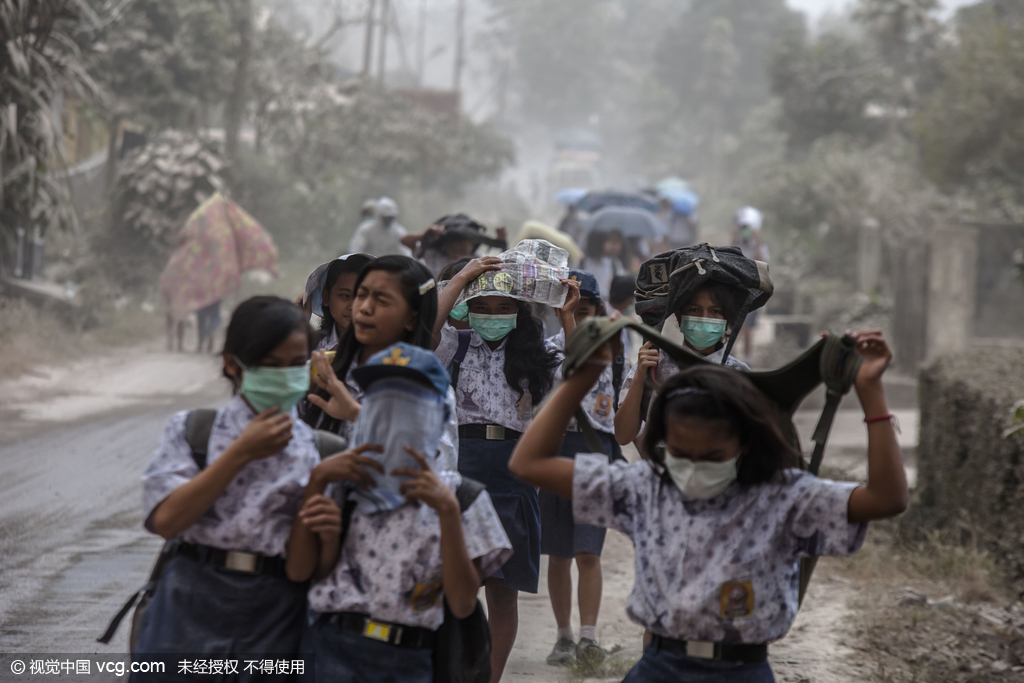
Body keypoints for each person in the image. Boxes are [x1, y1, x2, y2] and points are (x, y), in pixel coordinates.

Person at [508, 330, 908, 683]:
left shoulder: (783, 497)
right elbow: (529, 463)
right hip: (658, 666)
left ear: (746, 443)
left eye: (713, 455)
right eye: (681, 453)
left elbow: (886, 498)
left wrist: (871, 392)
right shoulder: (646, 488)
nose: (695, 467)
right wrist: (582, 378)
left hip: (744, 671)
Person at [288, 342, 512, 683]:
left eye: (410, 403)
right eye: (380, 400)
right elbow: (305, 572)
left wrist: (449, 515)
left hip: (409, 658)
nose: (393, 414)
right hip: (331, 649)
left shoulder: (460, 497)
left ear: (438, 414)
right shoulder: (343, 481)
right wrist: (319, 487)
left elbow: (463, 603)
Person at [133, 296, 321, 675]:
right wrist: (239, 454)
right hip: (190, 600)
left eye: (296, 364)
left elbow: (309, 562)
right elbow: (167, 520)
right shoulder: (194, 431)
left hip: (277, 611)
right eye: (270, 366)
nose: (286, 376)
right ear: (232, 364)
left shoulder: (319, 450)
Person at [433, 246, 581, 683]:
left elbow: (579, 373)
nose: (493, 315)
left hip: (514, 474)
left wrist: (569, 317)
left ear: (519, 311)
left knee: (503, 591)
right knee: (450, 587)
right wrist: (462, 279)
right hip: (461, 470)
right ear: (468, 309)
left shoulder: (538, 355)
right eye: (483, 307)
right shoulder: (453, 346)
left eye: (503, 307)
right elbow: (427, 329)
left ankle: (490, 678)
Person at [298, 256, 462, 476]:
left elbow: (438, 473)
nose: (364, 308)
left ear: (412, 318)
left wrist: (358, 414)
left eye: (382, 300)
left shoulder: (428, 387)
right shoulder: (321, 370)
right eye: (360, 296)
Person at [541, 270, 621, 666]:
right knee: (558, 554)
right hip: (556, 452)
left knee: (588, 552)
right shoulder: (544, 349)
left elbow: (583, 361)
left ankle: (589, 637)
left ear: (598, 311)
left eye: (586, 309)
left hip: (593, 453)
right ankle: (563, 637)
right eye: (572, 309)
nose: (579, 316)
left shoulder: (607, 346)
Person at [615, 280, 750, 447]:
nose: (704, 318)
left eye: (715, 311)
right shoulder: (654, 365)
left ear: (726, 319)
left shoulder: (738, 373)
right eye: (694, 310)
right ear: (679, 316)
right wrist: (639, 376)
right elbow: (622, 436)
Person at [301, 253, 375, 352]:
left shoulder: (387, 347)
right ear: (326, 297)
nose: (353, 306)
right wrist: (298, 324)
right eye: (345, 295)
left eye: (362, 296)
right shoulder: (311, 345)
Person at [402, 213, 508, 278]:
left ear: (473, 242)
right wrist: (426, 233)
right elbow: (404, 240)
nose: (457, 247)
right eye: (453, 242)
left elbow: (504, 270)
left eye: (462, 242)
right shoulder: (434, 256)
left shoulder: (479, 261)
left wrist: (502, 244)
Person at [731, 207, 770, 364]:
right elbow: (729, 258)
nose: (744, 231)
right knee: (736, 324)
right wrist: (733, 239)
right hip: (735, 290)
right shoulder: (735, 245)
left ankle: (746, 358)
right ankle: (731, 353)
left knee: (747, 326)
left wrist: (758, 242)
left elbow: (762, 263)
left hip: (753, 291)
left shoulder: (759, 247)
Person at [581, 230, 629, 301]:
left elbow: (621, 284)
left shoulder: (614, 263)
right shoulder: (582, 262)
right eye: (607, 241)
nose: (610, 245)